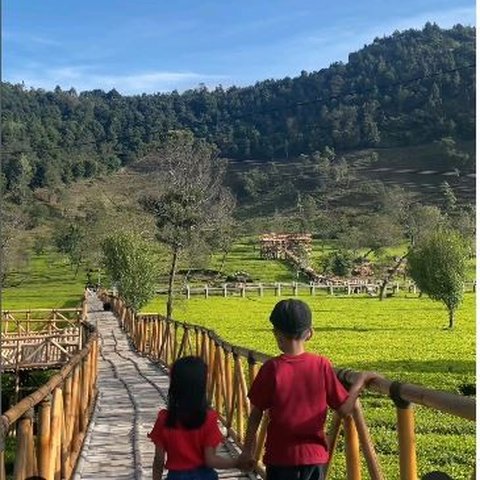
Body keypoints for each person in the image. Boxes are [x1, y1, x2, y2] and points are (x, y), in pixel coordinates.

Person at [238, 299, 378, 480]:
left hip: (280, 459)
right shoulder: (322, 365)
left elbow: (256, 412)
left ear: (277, 334)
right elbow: (344, 410)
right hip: (314, 457)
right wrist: (359, 382)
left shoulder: (271, 368)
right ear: (310, 333)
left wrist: (247, 450)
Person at [148, 355, 251, 480]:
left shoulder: (165, 419)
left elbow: (158, 460)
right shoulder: (208, 419)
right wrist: (236, 463)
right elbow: (210, 460)